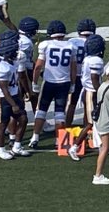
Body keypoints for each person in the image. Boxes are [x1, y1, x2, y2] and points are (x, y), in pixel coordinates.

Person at [28, 20, 75, 148]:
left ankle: (35, 138)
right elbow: (73, 68)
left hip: (49, 83)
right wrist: (73, 84)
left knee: (41, 110)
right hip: (64, 83)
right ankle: (58, 141)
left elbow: (38, 67)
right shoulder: (70, 46)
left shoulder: (45, 45)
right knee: (60, 113)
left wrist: (34, 82)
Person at [0, 30, 31, 161]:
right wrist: (13, 104)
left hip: (13, 96)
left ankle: (17, 146)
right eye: (13, 51)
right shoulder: (1, 67)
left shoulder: (11, 63)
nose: (16, 53)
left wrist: (18, 97)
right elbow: (4, 89)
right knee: (2, 125)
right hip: (3, 99)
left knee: (23, 119)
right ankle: (2, 150)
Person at [67, 33, 107, 159]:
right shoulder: (96, 60)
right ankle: (74, 147)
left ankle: (100, 144)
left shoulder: (88, 59)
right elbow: (94, 79)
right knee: (90, 123)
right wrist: (102, 93)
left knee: (96, 121)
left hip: (88, 91)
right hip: (91, 93)